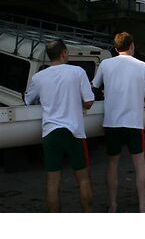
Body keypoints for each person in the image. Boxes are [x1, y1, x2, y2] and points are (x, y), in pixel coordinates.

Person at [24, 39, 94, 212]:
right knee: (83, 179)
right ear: (63, 53)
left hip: (50, 134)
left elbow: (27, 100)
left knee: (52, 182)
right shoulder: (77, 72)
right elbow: (89, 101)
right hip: (74, 133)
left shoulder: (38, 77)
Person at [92, 32, 145, 213]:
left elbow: (95, 87)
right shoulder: (142, 66)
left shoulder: (106, 64)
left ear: (115, 48)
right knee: (140, 164)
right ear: (132, 46)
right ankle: (142, 208)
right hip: (134, 123)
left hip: (112, 122)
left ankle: (113, 206)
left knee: (112, 164)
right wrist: (141, 97)